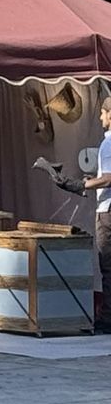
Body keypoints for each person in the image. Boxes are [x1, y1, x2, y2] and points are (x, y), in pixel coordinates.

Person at [79, 96, 111, 331]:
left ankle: (108, 316)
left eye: (103, 113)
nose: (101, 117)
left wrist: (85, 185)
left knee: (108, 264)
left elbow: (109, 178)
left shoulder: (108, 143)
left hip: (108, 210)